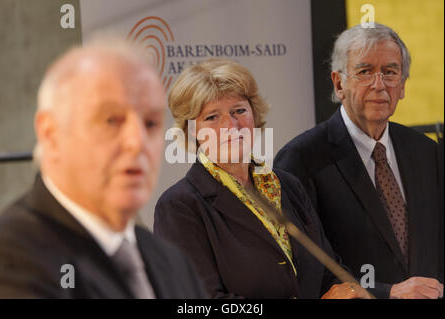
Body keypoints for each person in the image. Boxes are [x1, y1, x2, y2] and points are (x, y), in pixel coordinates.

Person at [0, 40, 207, 299]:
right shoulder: (10, 259)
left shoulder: (170, 261)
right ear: (50, 134)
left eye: (150, 123)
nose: (137, 142)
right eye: (111, 120)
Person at [154, 58, 370, 299]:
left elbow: (327, 272)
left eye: (239, 111)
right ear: (193, 130)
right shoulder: (178, 207)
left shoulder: (287, 186)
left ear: (254, 116)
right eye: (212, 117)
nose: (231, 125)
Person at [274, 23, 443, 299]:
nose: (379, 85)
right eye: (365, 72)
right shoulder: (300, 159)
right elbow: (307, 269)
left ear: (402, 86)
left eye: (390, 72)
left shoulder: (427, 152)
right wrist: (389, 293)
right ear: (339, 83)